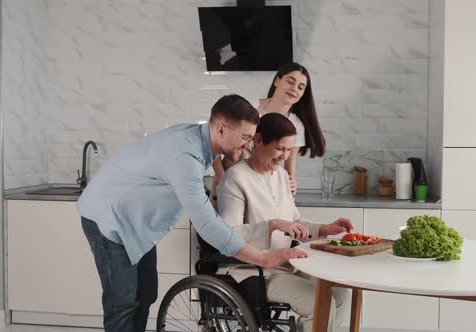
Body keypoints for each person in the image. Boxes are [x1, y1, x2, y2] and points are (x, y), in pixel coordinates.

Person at [77, 95, 307, 332]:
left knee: (146, 293)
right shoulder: (185, 154)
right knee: (123, 302)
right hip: (108, 216)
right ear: (220, 130)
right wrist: (263, 258)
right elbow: (206, 224)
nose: (249, 145)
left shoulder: (203, 142)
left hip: (135, 220)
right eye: (246, 137)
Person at [216, 113, 352, 332]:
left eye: (289, 150)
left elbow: (295, 220)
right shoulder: (235, 179)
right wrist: (272, 224)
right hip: (254, 270)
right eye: (280, 149)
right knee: (317, 304)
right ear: (258, 141)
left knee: (341, 295)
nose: (284, 156)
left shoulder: (280, 175)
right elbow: (227, 235)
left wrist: (326, 228)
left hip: (289, 264)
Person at [211, 62, 326, 198]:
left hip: (260, 190)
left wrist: (291, 183)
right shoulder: (249, 106)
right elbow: (214, 142)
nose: (294, 89)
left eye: (301, 87)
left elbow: (289, 172)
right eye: (290, 82)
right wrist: (220, 176)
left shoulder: (296, 125)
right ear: (277, 80)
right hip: (228, 181)